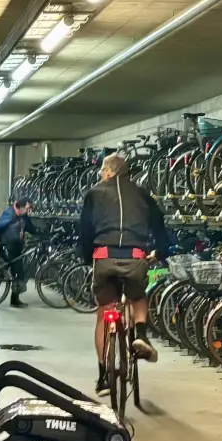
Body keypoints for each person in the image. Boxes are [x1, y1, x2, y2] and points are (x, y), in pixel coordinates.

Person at [77, 154, 171, 396]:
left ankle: (102, 377)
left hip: (104, 257)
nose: (101, 176)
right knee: (138, 295)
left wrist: (88, 257)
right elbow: (159, 223)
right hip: (135, 256)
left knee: (103, 313)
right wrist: (160, 251)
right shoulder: (142, 194)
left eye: (102, 172)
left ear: (109, 172)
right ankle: (140, 335)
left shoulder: (94, 193)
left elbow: (85, 230)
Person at [0, 199, 38, 308]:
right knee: (0, 275)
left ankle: (15, 300)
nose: (29, 210)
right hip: (6, 249)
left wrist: (39, 231)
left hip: (16, 249)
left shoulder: (23, 216)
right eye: (27, 208)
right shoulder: (9, 214)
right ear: (21, 207)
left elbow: (31, 228)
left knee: (18, 275)